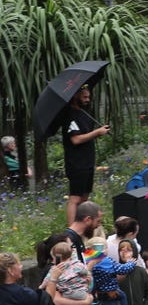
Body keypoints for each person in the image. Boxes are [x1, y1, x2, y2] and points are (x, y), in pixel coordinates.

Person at [62, 85, 109, 226]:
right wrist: (97, 133)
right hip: (76, 162)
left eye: (89, 97)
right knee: (75, 198)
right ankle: (71, 230)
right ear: (76, 96)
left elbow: (86, 136)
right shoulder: (70, 115)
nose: (88, 100)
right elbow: (75, 139)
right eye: (84, 97)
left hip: (88, 161)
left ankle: (83, 226)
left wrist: (98, 133)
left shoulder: (85, 113)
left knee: (84, 197)